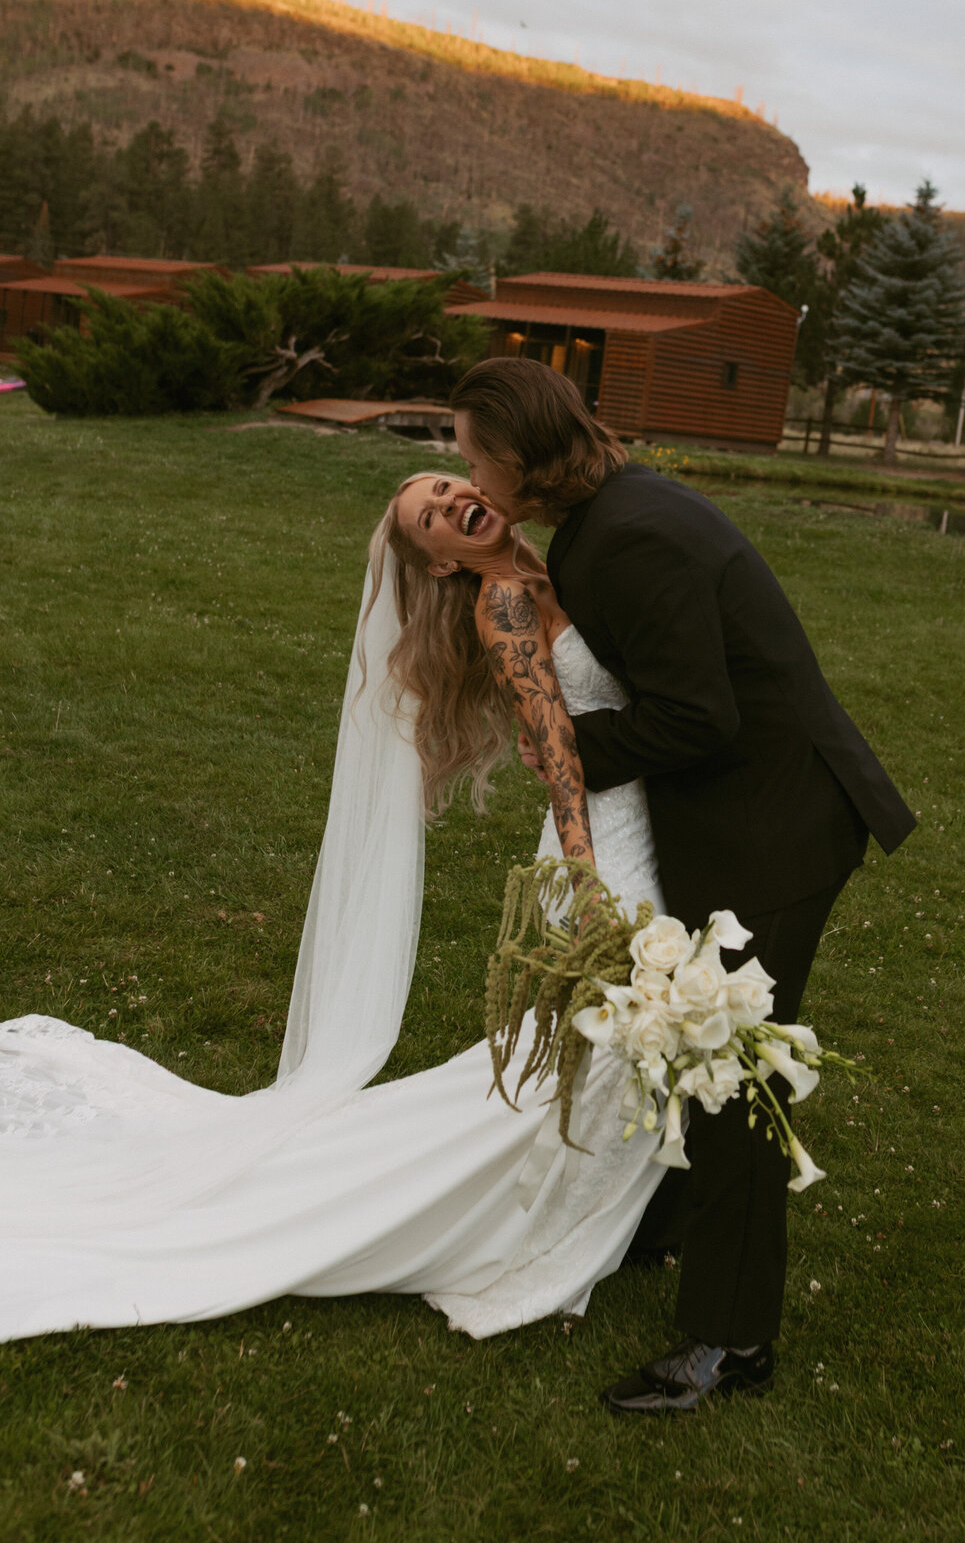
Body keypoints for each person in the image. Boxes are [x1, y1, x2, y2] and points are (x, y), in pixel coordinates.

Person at [0, 474, 668, 1345]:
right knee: (609, 1036)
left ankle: (591, 1204)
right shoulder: (504, 604)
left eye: (445, 486)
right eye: (430, 518)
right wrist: (585, 885)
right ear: (436, 565)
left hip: (641, 813)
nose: (450, 502)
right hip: (601, 843)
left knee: (605, 1046)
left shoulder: (549, 566)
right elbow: (561, 755)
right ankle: (533, 1218)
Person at [450, 355, 917, 1415]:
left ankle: (730, 1341)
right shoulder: (614, 517)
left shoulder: (626, 540)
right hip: (759, 813)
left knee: (734, 1070)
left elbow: (697, 717)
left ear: (520, 459)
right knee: (697, 1050)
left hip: (778, 828)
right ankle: (666, 1231)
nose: (468, 474)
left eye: (475, 456)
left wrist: (564, 745)